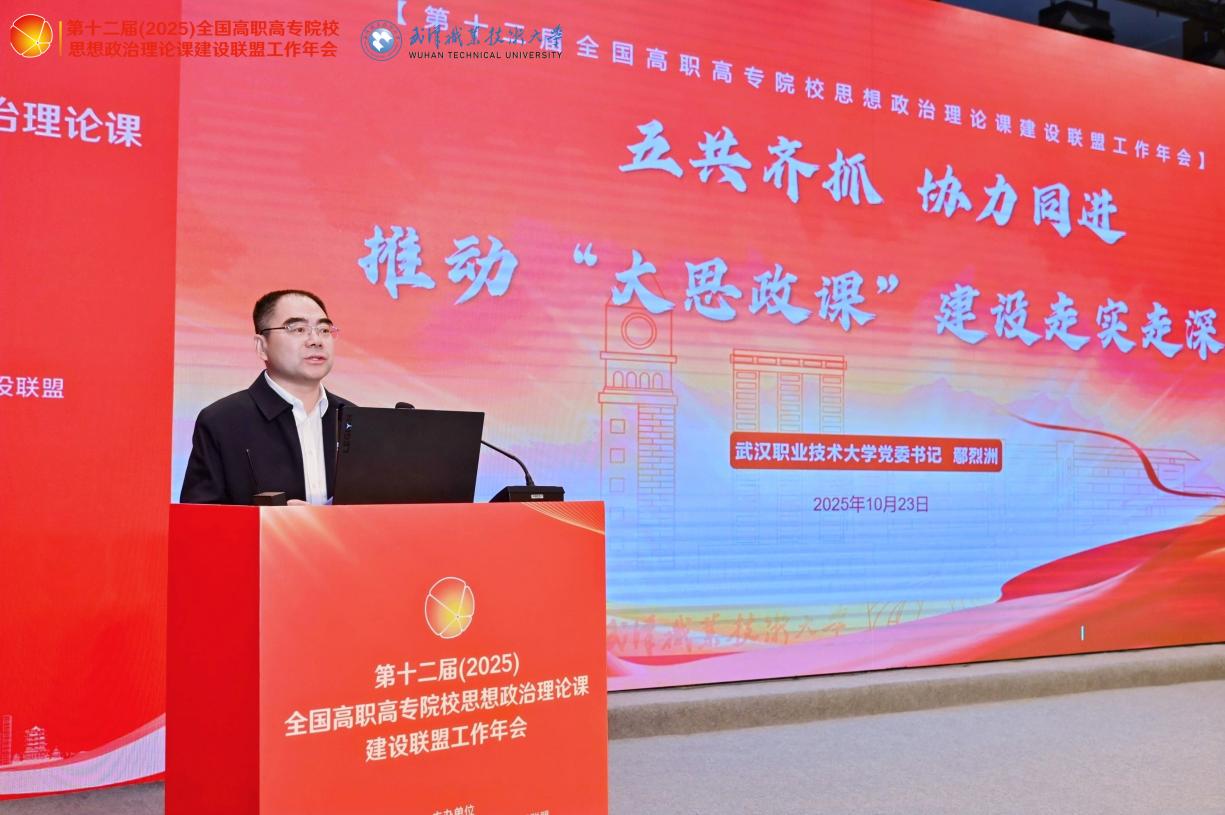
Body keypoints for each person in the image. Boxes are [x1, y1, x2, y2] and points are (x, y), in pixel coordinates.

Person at [180, 290, 354, 505]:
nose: (316, 340)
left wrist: (325, 520)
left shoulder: (355, 419)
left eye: (324, 330)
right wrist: (276, 521)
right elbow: (199, 519)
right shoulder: (222, 422)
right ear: (262, 346)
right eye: (298, 329)